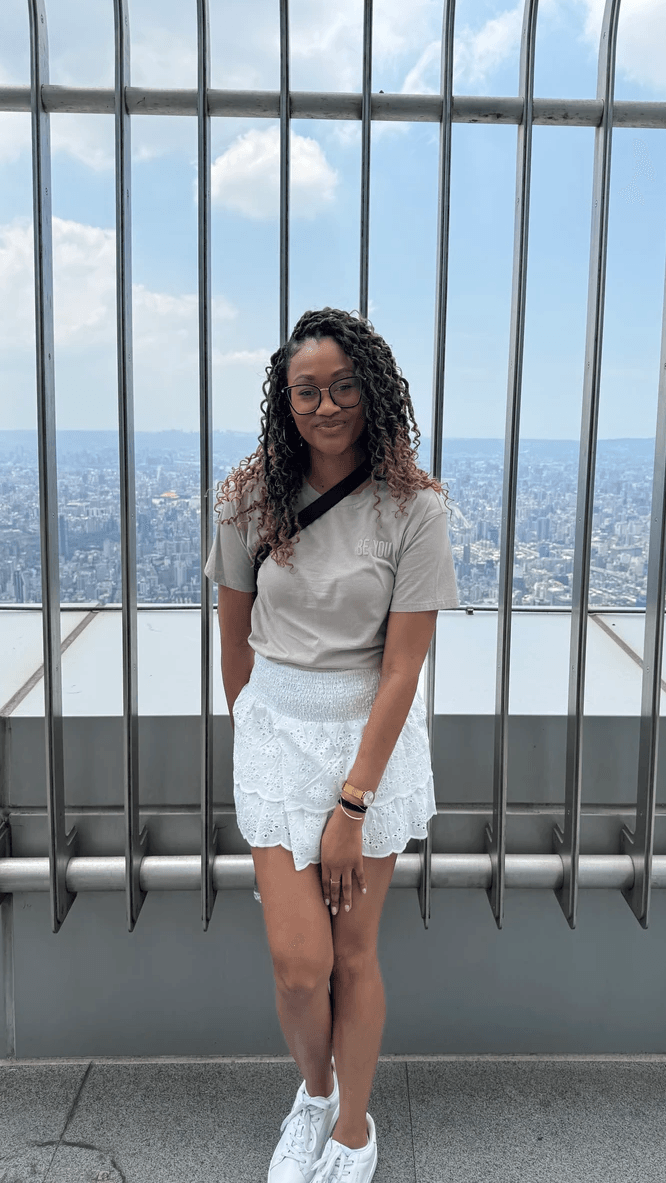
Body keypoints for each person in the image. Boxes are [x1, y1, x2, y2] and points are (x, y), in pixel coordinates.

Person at [205, 307, 458, 1183]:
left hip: (370, 743)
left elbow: (403, 669)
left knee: (354, 953)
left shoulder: (415, 509)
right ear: (284, 400)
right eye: (307, 390)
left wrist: (354, 801)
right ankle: (313, 1096)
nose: (326, 405)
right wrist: (253, 726)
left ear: (374, 391)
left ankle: (354, 1128)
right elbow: (234, 639)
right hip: (276, 733)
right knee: (298, 962)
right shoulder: (246, 496)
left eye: (344, 386)